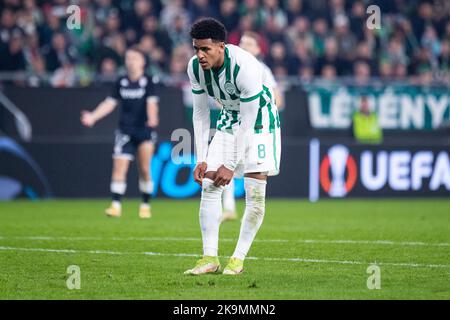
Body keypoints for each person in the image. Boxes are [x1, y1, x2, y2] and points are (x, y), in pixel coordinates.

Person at [184, 18, 281, 275]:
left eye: (205, 49)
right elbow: (201, 114)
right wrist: (202, 158)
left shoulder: (245, 66)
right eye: (196, 48)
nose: (200, 55)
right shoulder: (195, 68)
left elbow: (249, 122)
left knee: (255, 193)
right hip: (229, 116)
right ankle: (209, 258)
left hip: (260, 121)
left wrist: (230, 164)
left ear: (221, 46)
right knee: (209, 183)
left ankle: (237, 259)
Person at [80, 46, 159, 218]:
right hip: (125, 131)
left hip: (145, 131)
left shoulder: (148, 81)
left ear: (142, 62)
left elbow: (152, 103)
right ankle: (115, 205)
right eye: (128, 58)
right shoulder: (121, 82)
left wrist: (152, 118)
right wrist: (93, 116)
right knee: (119, 167)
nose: (130, 62)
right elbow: (110, 103)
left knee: (145, 169)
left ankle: (145, 204)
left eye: (134, 58)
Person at [218, 30, 283, 223]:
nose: (244, 46)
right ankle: (229, 208)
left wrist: (260, 113)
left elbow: (276, 98)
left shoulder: (262, 70)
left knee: (254, 171)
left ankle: (252, 209)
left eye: (249, 44)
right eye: (242, 43)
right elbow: (220, 98)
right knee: (226, 162)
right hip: (234, 124)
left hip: (257, 129)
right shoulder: (229, 68)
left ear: (257, 49)